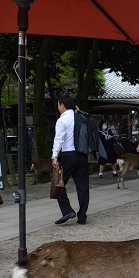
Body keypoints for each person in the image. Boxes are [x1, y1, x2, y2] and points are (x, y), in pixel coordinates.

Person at [51, 95, 89, 225]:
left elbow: (59, 139)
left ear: (62, 105)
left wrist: (54, 156)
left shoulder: (62, 120)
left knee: (58, 183)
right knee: (83, 186)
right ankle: (82, 216)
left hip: (68, 155)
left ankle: (67, 210)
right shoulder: (82, 118)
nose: (58, 107)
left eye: (58, 105)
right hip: (82, 155)